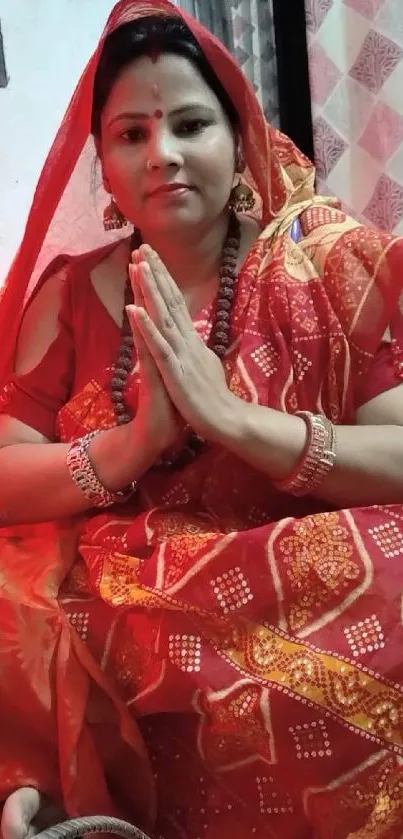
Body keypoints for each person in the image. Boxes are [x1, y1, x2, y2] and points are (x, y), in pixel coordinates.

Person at [1, 1, 403, 837]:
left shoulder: (321, 258)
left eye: (189, 123)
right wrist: (127, 447)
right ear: (102, 165)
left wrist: (234, 421)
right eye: (131, 135)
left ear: (237, 134)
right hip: (120, 587)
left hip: (297, 554)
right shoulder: (71, 294)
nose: (165, 156)